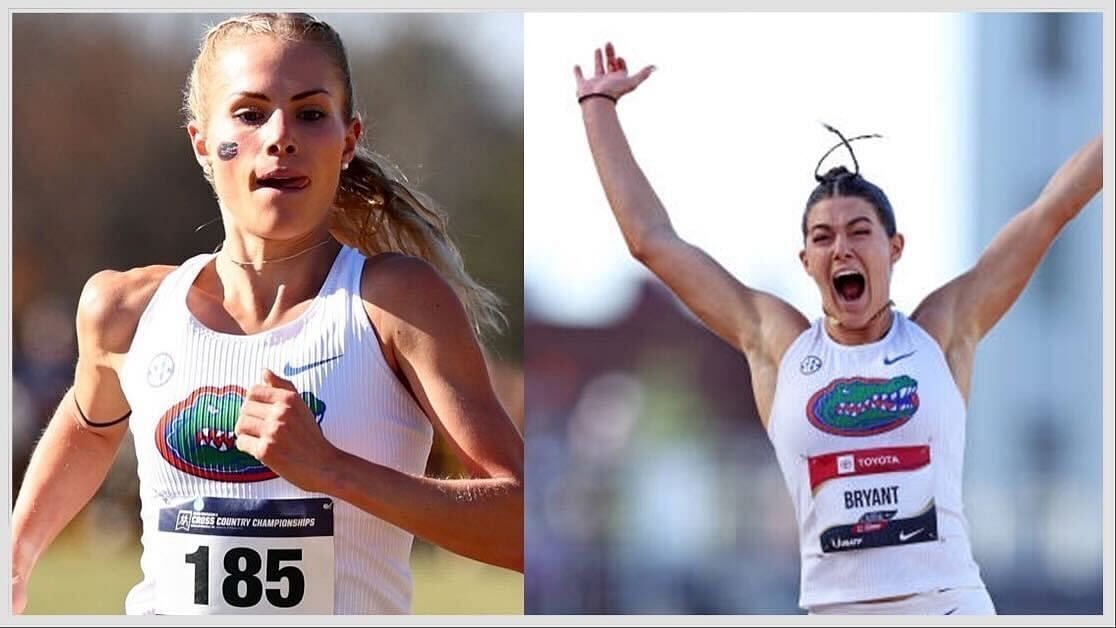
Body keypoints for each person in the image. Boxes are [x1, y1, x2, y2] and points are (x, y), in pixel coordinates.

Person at [12, 13, 523, 615]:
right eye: (251, 113)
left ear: (349, 138)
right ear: (202, 141)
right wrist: (15, 557)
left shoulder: (395, 304)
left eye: (310, 113)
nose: (281, 135)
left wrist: (331, 470)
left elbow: (519, 526)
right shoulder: (124, 310)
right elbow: (90, 428)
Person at [573, 42, 1102, 615]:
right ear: (806, 261)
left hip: (948, 607)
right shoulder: (777, 344)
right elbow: (652, 241)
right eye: (823, 237)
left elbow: (1053, 208)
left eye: (859, 231)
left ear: (893, 248)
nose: (841, 247)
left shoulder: (942, 332)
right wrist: (598, 106)